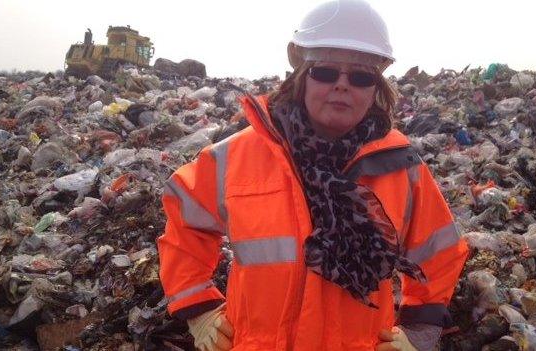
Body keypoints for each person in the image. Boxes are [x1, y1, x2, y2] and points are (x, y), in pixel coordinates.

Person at [157, 0, 469, 350]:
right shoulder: (235, 157)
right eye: (325, 71)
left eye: (361, 76)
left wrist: (418, 334)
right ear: (301, 72)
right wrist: (199, 309)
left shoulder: (400, 166)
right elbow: (184, 226)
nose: (342, 85)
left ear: (376, 85)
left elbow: (440, 251)